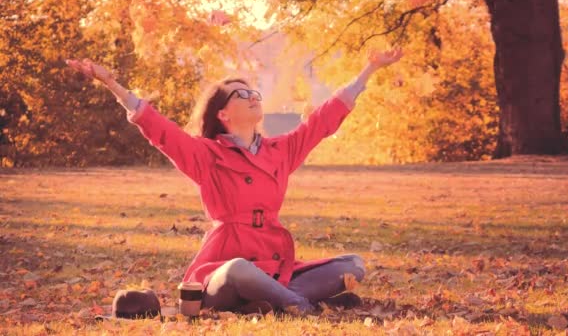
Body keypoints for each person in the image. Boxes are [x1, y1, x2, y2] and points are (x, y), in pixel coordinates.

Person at [66, 48, 403, 315]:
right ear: (223, 115)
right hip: (223, 273)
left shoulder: (279, 151)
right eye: (241, 95)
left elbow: (324, 120)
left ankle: (280, 300)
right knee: (239, 270)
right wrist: (112, 85)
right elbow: (159, 129)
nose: (253, 96)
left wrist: (369, 70)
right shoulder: (205, 154)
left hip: (274, 264)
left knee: (353, 265)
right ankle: (299, 304)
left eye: (253, 91)